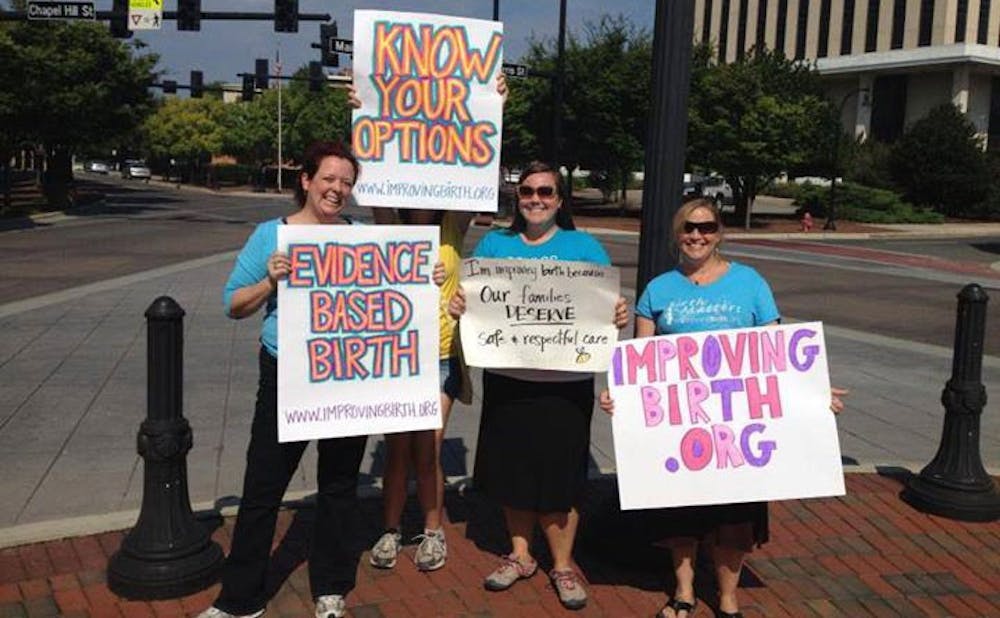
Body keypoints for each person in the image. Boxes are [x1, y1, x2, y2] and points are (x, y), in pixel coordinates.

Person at [598, 198, 846, 618]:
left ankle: (728, 598)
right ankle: (684, 592)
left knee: (735, 517)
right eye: (688, 229)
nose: (697, 236)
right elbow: (639, 357)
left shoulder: (750, 283)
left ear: (719, 233)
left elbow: (775, 356)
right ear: (677, 234)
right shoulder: (658, 289)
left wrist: (813, 397)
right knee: (680, 515)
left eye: (706, 228)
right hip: (681, 430)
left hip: (737, 431)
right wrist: (620, 395)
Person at [448, 161, 629, 610]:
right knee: (514, 471)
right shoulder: (496, 243)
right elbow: (475, 300)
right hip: (509, 379)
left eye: (546, 192)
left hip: (565, 385)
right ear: (518, 197)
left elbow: (605, 307)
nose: (535, 199)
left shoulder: (583, 246)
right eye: (527, 191)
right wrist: (460, 304)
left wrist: (617, 315)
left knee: (561, 476)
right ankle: (521, 554)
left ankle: (562, 565)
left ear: (559, 199)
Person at [198, 141, 368, 618]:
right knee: (263, 489)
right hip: (287, 374)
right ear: (306, 181)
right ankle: (240, 600)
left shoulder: (363, 236)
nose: (337, 189)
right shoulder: (271, 235)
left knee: (339, 486)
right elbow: (233, 305)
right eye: (329, 179)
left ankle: (331, 587)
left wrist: (426, 276)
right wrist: (270, 282)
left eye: (347, 183)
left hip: (350, 375)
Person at [360, 73, 508, 574]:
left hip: (442, 352)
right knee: (398, 448)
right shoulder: (389, 225)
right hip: (396, 353)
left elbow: (479, 164)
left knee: (430, 442)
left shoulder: (453, 225)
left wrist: (493, 109)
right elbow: (372, 162)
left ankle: (432, 530)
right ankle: (389, 529)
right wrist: (362, 111)